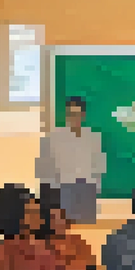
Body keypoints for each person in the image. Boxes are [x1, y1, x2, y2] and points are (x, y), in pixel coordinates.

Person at [36, 95, 105, 224]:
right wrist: (53, 193)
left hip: (87, 189)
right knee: (64, 227)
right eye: (71, 114)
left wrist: (95, 188)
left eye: (77, 114)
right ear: (66, 115)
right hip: (64, 188)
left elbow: (99, 165)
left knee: (85, 227)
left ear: (83, 115)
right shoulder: (54, 137)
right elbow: (46, 169)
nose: (74, 118)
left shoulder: (93, 137)